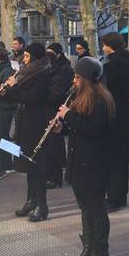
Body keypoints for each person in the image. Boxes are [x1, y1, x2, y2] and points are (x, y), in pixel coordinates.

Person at [57, 56, 116, 256]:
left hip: (93, 164)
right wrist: (61, 127)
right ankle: (88, 248)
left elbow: (93, 130)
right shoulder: (81, 97)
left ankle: (100, 254)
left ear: (87, 79)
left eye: (77, 76)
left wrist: (68, 116)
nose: (74, 80)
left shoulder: (101, 100)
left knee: (96, 209)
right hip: (79, 161)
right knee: (85, 208)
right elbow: (78, 128)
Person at [5, 42, 53, 222]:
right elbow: (18, 98)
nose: (24, 60)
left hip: (36, 123)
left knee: (37, 164)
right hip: (24, 123)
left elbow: (32, 100)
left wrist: (15, 86)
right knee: (27, 163)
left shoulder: (42, 74)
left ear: (34, 57)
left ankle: (42, 204)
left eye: (26, 56)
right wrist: (6, 90)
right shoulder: (27, 73)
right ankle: (30, 200)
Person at [100, 32, 129, 212]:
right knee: (121, 159)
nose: (103, 49)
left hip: (115, 113)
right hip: (127, 112)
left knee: (114, 158)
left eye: (104, 45)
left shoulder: (114, 64)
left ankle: (114, 198)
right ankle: (120, 196)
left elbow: (106, 88)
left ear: (110, 45)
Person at [45, 42, 74, 189]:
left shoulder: (62, 71)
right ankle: (52, 174)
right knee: (51, 144)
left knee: (54, 143)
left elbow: (58, 93)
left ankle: (55, 177)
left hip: (55, 110)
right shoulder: (53, 71)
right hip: (50, 110)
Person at [0, 48, 17, 180]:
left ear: (1, 59)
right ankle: (11, 162)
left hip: (6, 108)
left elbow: (11, 92)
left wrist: (2, 92)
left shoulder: (7, 71)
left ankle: (2, 167)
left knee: (2, 138)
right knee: (4, 137)